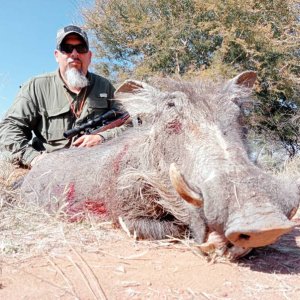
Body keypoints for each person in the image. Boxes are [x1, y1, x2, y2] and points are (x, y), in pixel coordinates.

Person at [0, 25, 126, 168]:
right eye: (66, 48)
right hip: (50, 170)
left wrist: (102, 137)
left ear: (89, 56)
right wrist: (34, 158)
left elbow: (128, 122)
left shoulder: (105, 86)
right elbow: (9, 128)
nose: (74, 54)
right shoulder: (36, 86)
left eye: (81, 48)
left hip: (97, 167)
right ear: (57, 55)